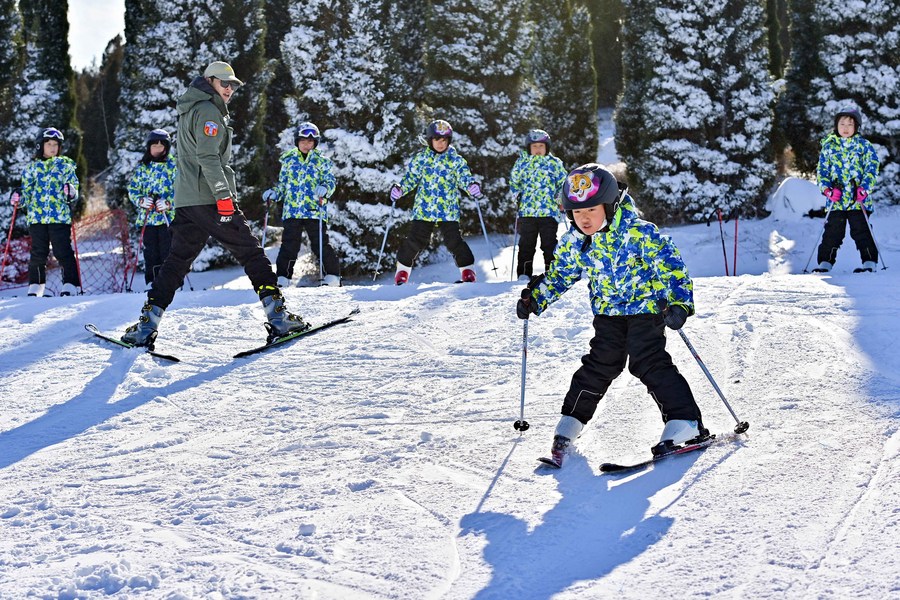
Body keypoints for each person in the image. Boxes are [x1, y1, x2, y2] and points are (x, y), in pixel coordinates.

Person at [517, 164, 708, 467]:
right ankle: (570, 424)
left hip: (646, 310)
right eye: (577, 213)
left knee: (647, 361)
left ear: (609, 204)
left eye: (591, 209)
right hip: (607, 314)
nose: (585, 219)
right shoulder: (576, 241)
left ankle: (685, 422)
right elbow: (562, 274)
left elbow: (671, 266)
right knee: (600, 363)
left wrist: (680, 303)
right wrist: (536, 298)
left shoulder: (639, 232)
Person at [121, 61, 308, 347]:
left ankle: (147, 324)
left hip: (186, 200)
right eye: (224, 83)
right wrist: (223, 197)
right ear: (209, 81)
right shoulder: (208, 111)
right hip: (209, 197)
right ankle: (279, 317)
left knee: (177, 260)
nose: (230, 89)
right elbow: (207, 158)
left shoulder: (190, 109)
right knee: (251, 252)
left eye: (233, 85)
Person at [389, 119, 482, 285]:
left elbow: (464, 178)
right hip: (424, 208)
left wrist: (471, 186)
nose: (441, 144)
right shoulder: (421, 159)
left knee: (453, 241)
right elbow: (411, 178)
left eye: (444, 140)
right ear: (430, 140)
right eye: (437, 140)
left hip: (448, 210)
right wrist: (400, 189)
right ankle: (402, 274)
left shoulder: (455, 160)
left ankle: (468, 272)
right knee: (415, 240)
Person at [263, 122, 341, 287]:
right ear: (297, 141)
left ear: (315, 143)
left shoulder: (321, 161)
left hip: (314, 210)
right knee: (289, 246)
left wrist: (325, 188)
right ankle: (283, 278)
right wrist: (274, 194)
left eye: (311, 141)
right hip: (293, 211)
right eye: (303, 141)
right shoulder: (289, 161)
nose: (307, 144)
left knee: (320, 244)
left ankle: (333, 276)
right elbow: (283, 186)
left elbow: (330, 182)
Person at [12, 127, 80, 297]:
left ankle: (71, 284)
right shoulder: (32, 168)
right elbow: (26, 191)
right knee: (38, 252)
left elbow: (74, 188)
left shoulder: (65, 165)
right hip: (37, 217)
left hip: (59, 216)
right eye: (49, 144)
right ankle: (36, 285)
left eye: (55, 144)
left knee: (62, 250)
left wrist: (71, 191)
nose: (52, 148)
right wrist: (19, 198)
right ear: (40, 146)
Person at [813, 106, 880, 273]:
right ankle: (825, 264)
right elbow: (822, 171)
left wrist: (864, 188)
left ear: (856, 127)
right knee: (832, 233)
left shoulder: (864, 146)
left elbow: (872, 168)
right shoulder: (829, 146)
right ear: (836, 126)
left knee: (862, 231)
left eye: (850, 124)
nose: (845, 128)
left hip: (858, 200)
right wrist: (827, 190)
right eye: (842, 123)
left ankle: (869, 263)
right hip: (836, 200)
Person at [509, 129, 567, 279]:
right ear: (529, 148)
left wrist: (561, 199)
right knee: (526, 245)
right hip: (528, 212)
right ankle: (524, 274)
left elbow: (563, 184)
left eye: (541, 146)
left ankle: (552, 273)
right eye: (534, 146)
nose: (538, 150)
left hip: (549, 212)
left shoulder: (554, 164)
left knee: (549, 244)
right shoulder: (522, 163)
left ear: (547, 147)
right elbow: (514, 182)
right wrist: (517, 196)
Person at [127, 128, 177, 289]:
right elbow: (133, 189)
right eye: (154, 146)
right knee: (151, 252)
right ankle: (152, 281)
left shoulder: (173, 167)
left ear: (166, 148)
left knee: (167, 250)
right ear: (149, 147)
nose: (157, 149)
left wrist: (169, 203)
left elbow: (182, 190)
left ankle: (170, 281)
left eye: (161, 146)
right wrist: (141, 200)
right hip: (148, 218)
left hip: (166, 218)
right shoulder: (143, 167)